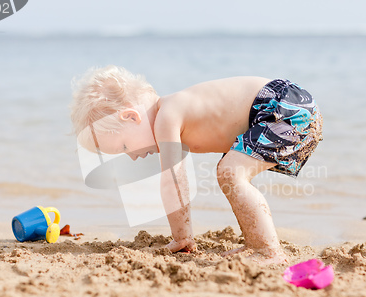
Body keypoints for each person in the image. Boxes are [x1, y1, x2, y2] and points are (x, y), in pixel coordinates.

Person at [70, 66, 323, 265]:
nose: (131, 156)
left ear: (131, 116)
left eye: (124, 146)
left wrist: (181, 237)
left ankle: (267, 250)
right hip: (291, 104)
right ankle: (256, 242)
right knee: (230, 171)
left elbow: (173, 181)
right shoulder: (173, 109)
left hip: (280, 106)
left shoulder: (167, 116)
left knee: (230, 173)